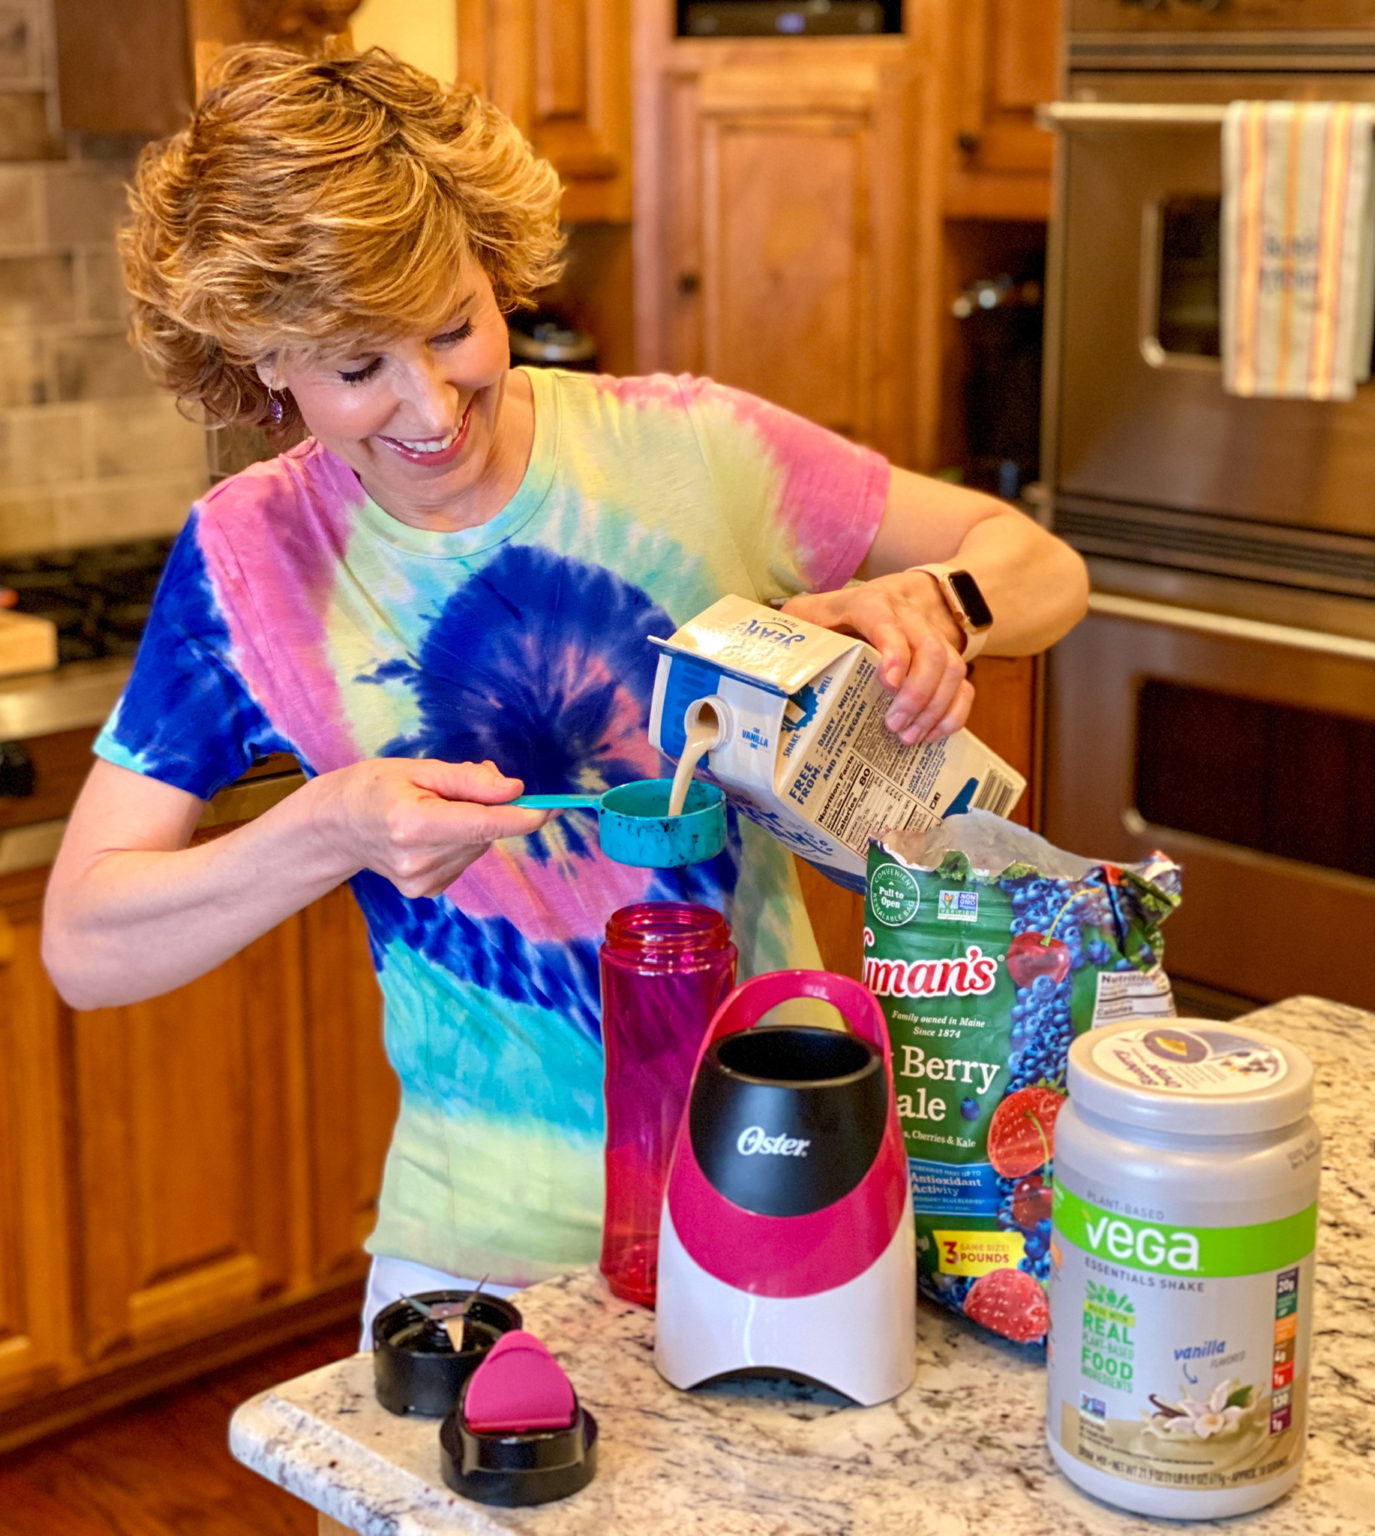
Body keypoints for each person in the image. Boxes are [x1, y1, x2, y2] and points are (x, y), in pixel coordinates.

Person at [40, 44, 1089, 1338]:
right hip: (473, 1258)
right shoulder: (248, 559)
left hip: (779, 1191)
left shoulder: (690, 446)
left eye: (453, 326)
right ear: (265, 364)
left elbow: (1040, 564)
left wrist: (947, 605)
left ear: (495, 265)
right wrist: (331, 830)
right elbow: (84, 944)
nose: (432, 407)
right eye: (360, 369)